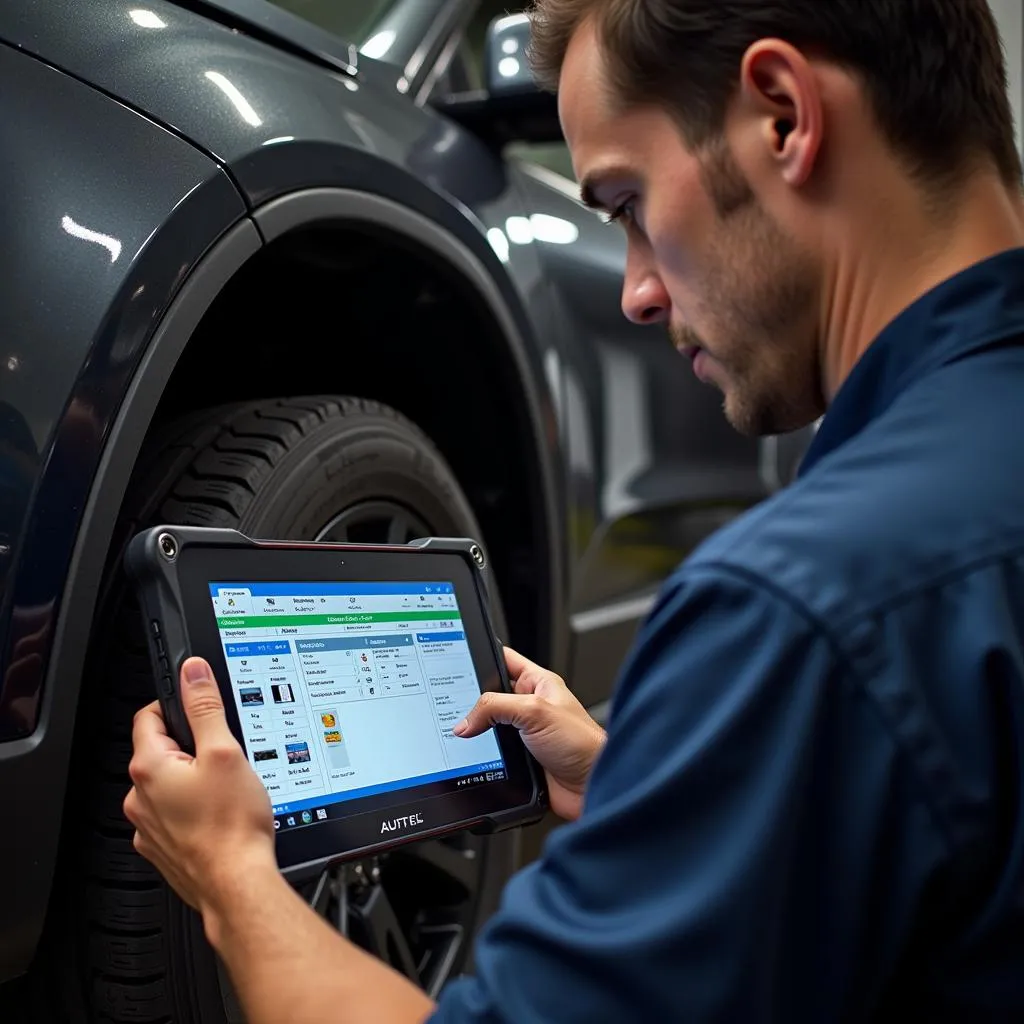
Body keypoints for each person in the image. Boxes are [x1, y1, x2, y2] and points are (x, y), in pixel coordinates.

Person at [124, 0, 1024, 1019]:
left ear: (782, 115)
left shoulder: (805, 606)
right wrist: (657, 785)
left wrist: (235, 877)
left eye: (628, 200)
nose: (638, 291)